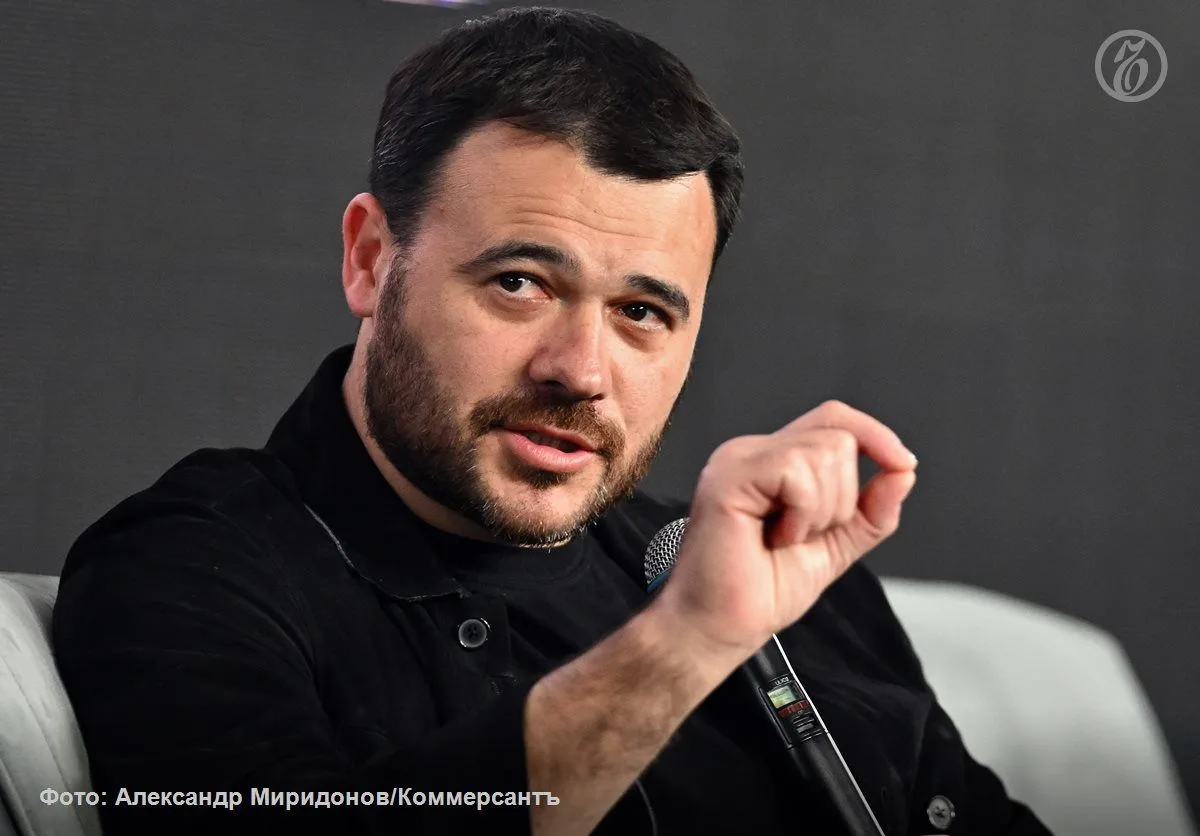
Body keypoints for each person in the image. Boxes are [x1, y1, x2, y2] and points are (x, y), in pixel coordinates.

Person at [51, 7, 1053, 836]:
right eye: (521, 282)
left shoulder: (785, 588)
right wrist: (686, 641)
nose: (580, 370)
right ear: (370, 260)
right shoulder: (193, 568)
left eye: (642, 312)